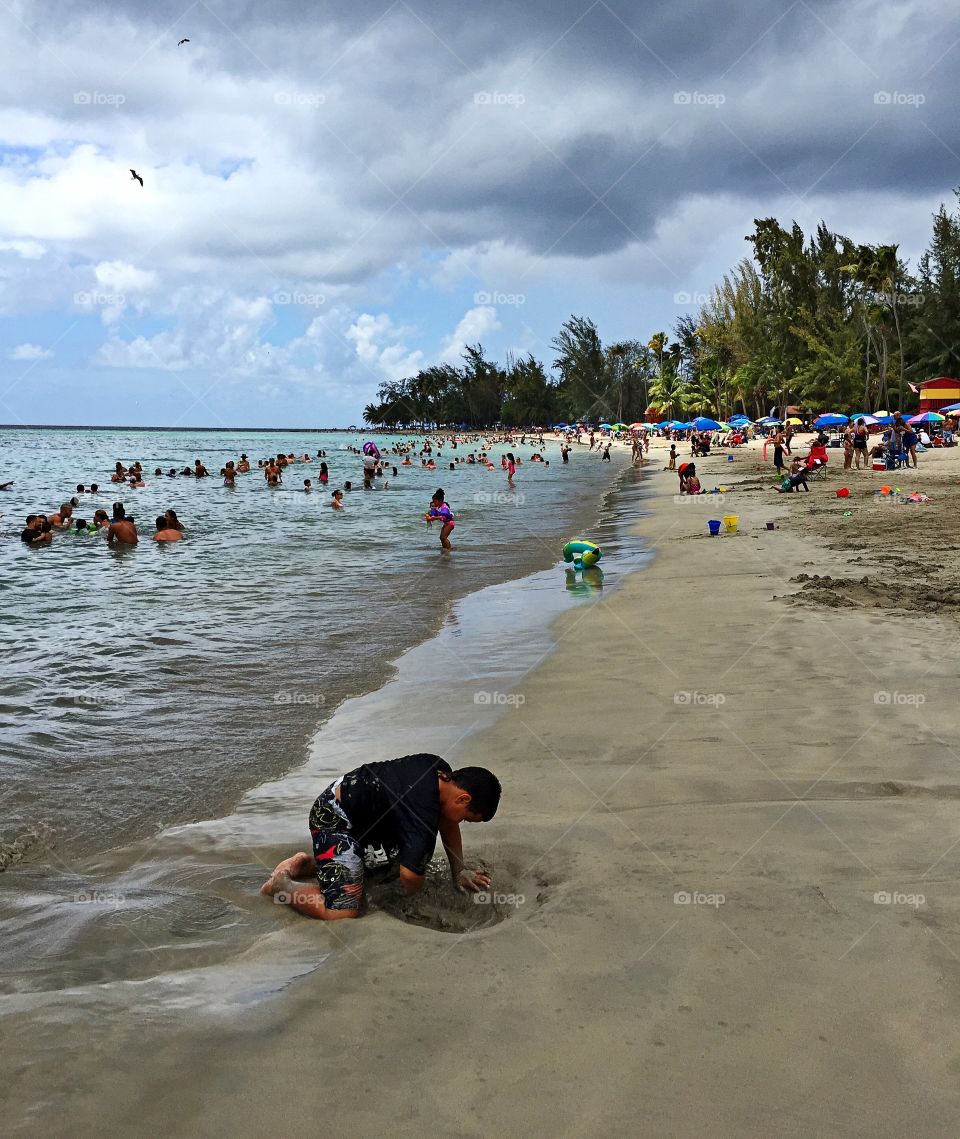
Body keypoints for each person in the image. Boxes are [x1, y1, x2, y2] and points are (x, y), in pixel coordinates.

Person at [260, 754, 500, 921]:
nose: (461, 823)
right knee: (343, 911)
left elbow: (447, 823)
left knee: (388, 869)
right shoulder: (422, 811)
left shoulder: (440, 772)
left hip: (367, 817)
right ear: (464, 799)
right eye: (467, 818)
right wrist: (412, 898)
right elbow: (410, 876)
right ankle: (282, 885)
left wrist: (459, 871)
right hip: (334, 816)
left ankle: (310, 864)